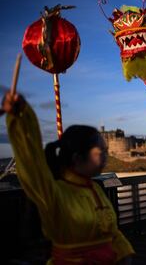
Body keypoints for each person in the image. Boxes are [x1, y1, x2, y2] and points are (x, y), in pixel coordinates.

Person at [1, 92, 135, 264]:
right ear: (78, 157)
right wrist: (20, 117)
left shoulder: (95, 188)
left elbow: (111, 232)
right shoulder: (54, 192)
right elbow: (30, 159)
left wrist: (125, 255)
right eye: (101, 152)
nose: (106, 157)